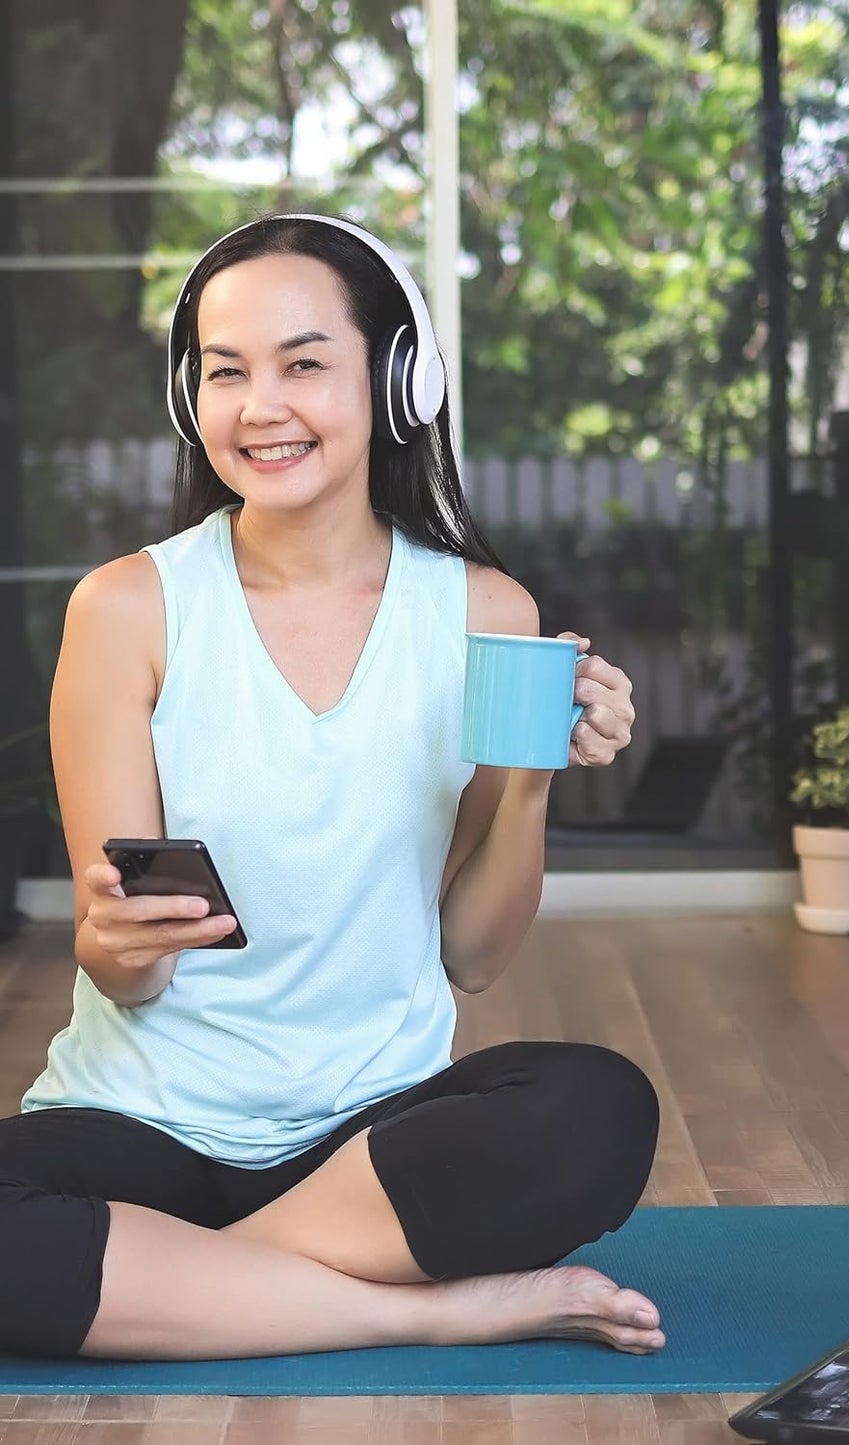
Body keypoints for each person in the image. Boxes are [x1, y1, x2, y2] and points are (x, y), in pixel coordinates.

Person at [0, 213, 665, 1362]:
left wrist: (533, 784)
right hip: (141, 1130)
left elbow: (471, 955)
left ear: (397, 381)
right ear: (187, 398)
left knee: (597, 1106)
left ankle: (190, 1288)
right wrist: (117, 939)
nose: (261, 405)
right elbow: (126, 973)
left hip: (365, 1142)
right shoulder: (126, 609)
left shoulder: (482, 615)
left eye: (304, 363)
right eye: (226, 371)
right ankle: (422, 1308)